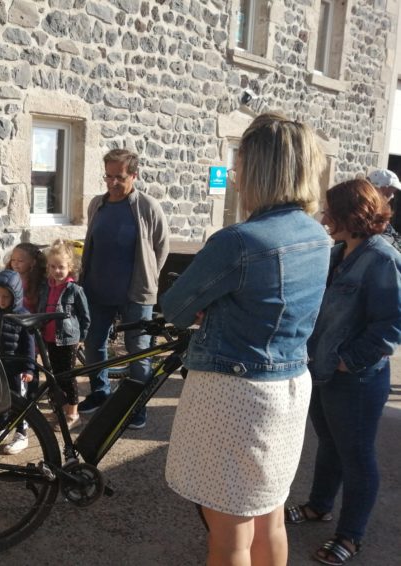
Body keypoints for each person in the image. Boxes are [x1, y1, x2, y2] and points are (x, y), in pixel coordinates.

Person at [159, 112, 332, 565]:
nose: (235, 175)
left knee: (230, 533)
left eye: (240, 164)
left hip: (235, 393)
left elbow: (174, 308)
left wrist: (209, 305)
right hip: (290, 385)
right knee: (268, 517)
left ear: (258, 169)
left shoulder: (238, 241)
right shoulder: (318, 236)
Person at [285, 179, 401, 565]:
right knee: (330, 445)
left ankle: (350, 537)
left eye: (330, 212)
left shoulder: (382, 258)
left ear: (353, 215)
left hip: (357, 380)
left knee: (357, 456)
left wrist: (345, 361)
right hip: (324, 373)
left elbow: (391, 326)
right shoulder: (337, 253)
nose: (323, 217)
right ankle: (320, 506)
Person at [78, 148, 169, 430]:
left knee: (138, 350)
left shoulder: (148, 206)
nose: (112, 182)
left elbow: (160, 248)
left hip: (135, 294)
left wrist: (147, 278)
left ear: (134, 175)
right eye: (108, 176)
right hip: (97, 290)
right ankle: (100, 391)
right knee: (94, 344)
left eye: (119, 177)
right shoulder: (97, 205)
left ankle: (135, 406)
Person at [38, 240, 90, 429]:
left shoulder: (75, 290)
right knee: (55, 376)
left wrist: (81, 337)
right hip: (50, 338)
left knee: (68, 376)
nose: (57, 271)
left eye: (61, 267)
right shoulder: (47, 287)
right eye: (53, 266)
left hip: (67, 339)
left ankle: (73, 414)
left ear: (70, 267)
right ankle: (61, 410)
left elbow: (85, 316)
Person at [0, 269, 35, 455]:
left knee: (18, 401)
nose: (1, 300)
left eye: (6, 296)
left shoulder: (23, 316)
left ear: (15, 294)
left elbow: (29, 346)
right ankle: (1, 428)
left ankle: (21, 433)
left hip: (17, 370)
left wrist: (29, 369)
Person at [6, 242, 47, 314]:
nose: (15, 264)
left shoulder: (41, 283)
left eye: (20, 261)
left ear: (33, 262)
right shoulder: (7, 280)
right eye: (13, 260)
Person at [366, 168, 401, 252]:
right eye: (390, 192)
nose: (392, 196)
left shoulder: (380, 210)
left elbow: (392, 235)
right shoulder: (365, 211)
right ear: (382, 188)